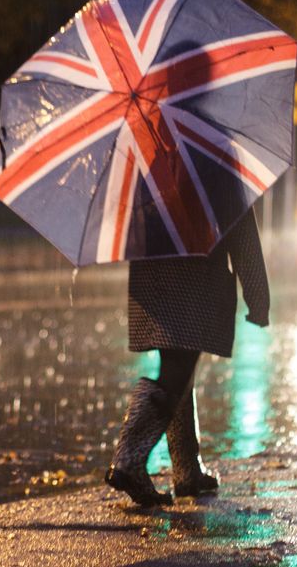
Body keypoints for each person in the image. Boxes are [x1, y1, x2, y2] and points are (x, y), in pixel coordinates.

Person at [105, 208, 271, 506]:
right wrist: (258, 297)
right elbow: (242, 231)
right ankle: (129, 458)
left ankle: (187, 469)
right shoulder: (213, 166)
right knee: (177, 371)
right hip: (196, 276)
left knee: (178, 367)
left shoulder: (150, 167)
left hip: (152, 275)